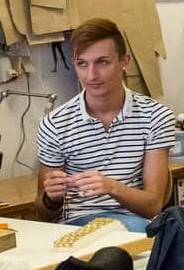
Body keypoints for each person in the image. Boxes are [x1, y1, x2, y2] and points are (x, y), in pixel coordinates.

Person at [36, 18, 176, 232]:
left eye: (102, 62)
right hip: (76, 227)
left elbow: (152, 206)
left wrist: (111, 186)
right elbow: (43, 215)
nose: (91, 75)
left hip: (135, 225)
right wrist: (51, 199)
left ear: (124, 61)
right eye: (82, 64)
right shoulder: (54, 124)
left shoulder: (155, 117)